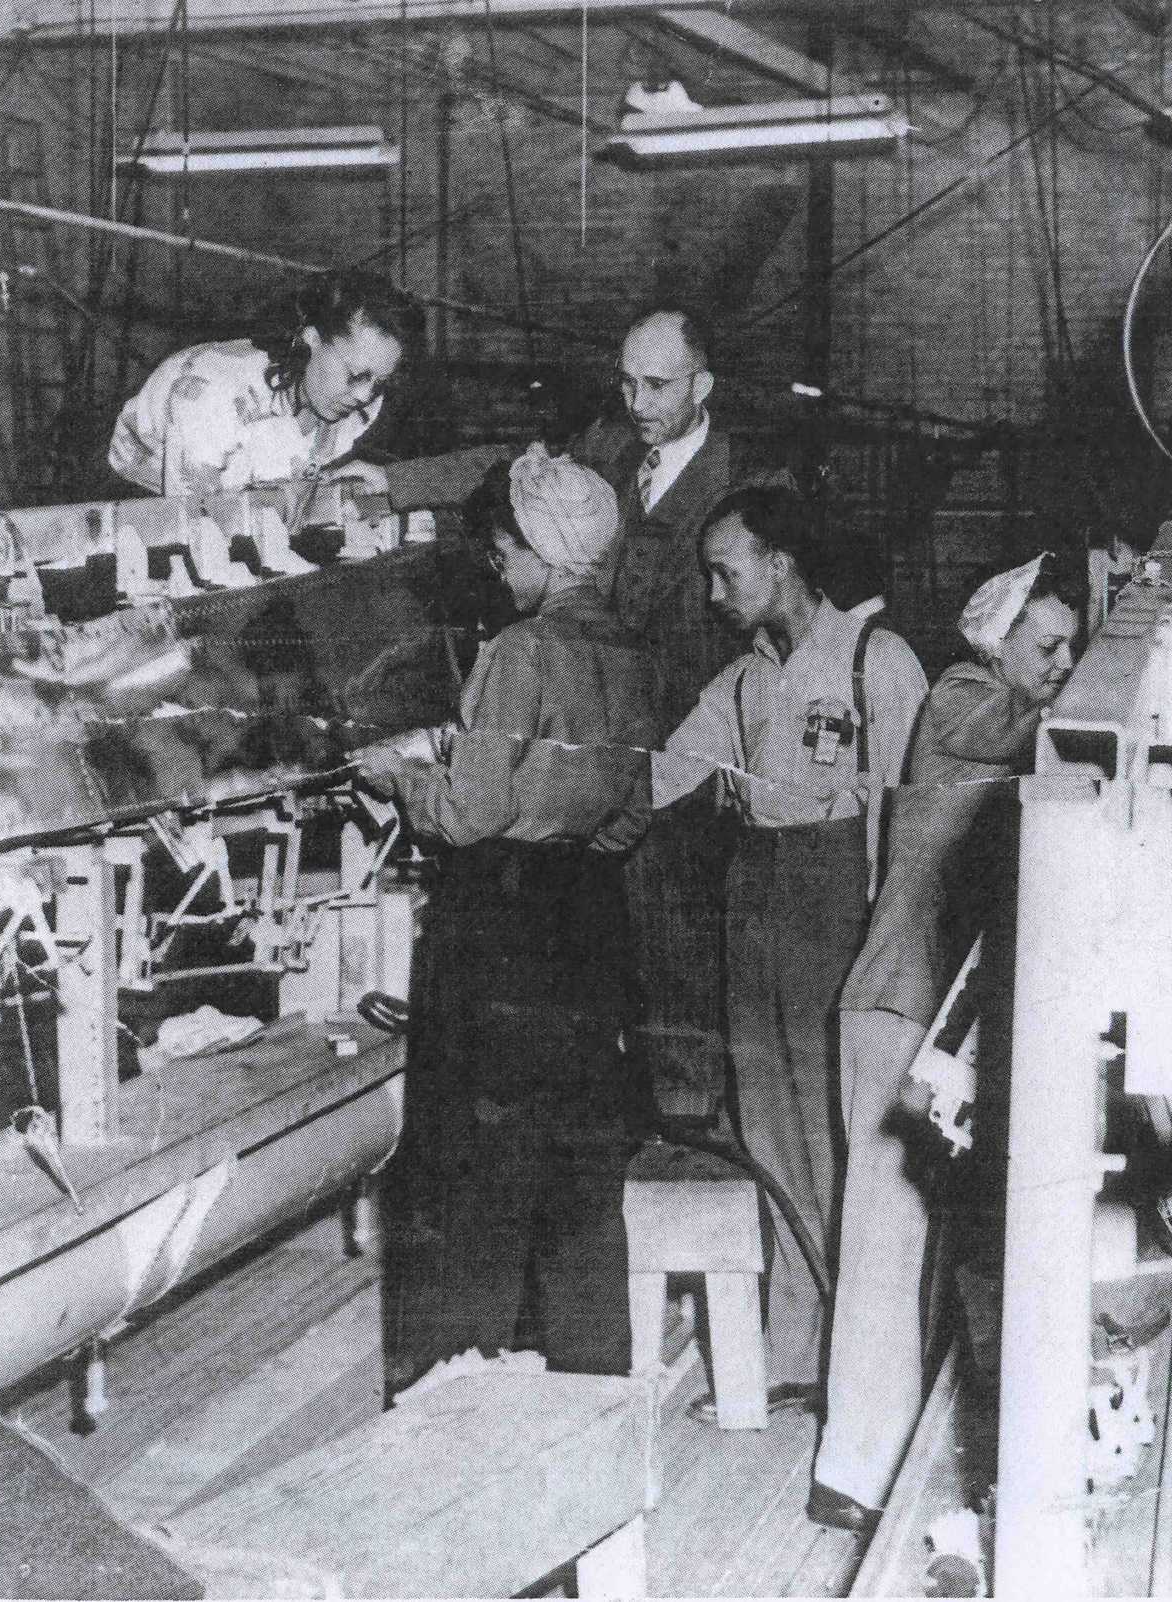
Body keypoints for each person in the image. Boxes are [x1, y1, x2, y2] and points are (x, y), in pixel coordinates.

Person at [357, 447, 653, 1395]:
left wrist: (399, 776)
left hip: (502, 923)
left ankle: (457, 1378)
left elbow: (468, 813)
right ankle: (585, 1375)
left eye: (502, 554)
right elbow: (634, 812)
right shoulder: (630, 652)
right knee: (575, 1158)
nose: (500, 572)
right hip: (587, 918)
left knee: (473, 1156)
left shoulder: (521, 650)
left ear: (537, 550)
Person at [810, 553, 1080, 1534]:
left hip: (943, 1014)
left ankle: (906, 1448)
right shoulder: (962, 697)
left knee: (934, 1244)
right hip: (894, 1009)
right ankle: (848, 1475)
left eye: (1069, 648)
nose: (1059, 663)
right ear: (994, 636)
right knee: (885, 1245)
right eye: (1044, 645)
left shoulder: (1006, 720)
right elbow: (1036, 728)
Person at [655, 484, 928, 1423]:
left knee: (842, 1140)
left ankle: (869, 1360)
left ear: (779, 564)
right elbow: (660, 773)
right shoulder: (742, 682)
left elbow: (913, 818)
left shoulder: (875, 662)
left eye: (726, 571)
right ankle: (794, 1352)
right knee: (767, 1136)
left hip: (838, 915)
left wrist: (893, 950)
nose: (713, 592)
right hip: (755, 907)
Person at [575, 307, 791, 1125]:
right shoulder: (605, 455)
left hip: (701, 747)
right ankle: (646, 1104)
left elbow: (783, 627)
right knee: (617, 936)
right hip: (608, 739)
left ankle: (694, 1116)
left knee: (687, 934)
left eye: (657, 384)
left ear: (702, 385)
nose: (637, 400)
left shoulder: (752, 490)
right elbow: (521, 487)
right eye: (627, 381)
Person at [108, 271, 424, 498]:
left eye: (379, 382)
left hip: (241, 478)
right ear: (311, 338)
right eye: (356, 374)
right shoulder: (211, 395)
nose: (364, 395)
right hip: (136, 492)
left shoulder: (355, 401)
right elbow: (191, 524)